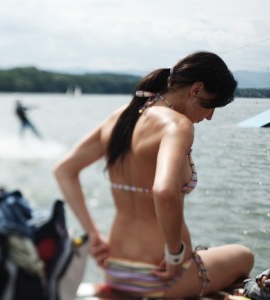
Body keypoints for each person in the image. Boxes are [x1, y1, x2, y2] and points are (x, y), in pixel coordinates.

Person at [53, 51, 254, 298]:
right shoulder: (177, 125)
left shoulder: (122, 116)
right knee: (244, 255)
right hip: (161, 277)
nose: (210, 116)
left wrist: (94, 235)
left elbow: (64, 169)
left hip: (115, 269)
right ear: (197, 89)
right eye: (211, 105)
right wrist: (175, 256)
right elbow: (164, 191)